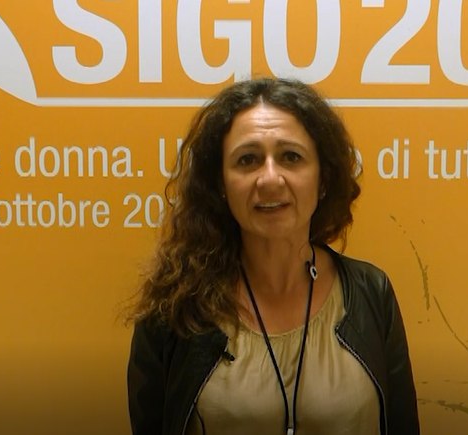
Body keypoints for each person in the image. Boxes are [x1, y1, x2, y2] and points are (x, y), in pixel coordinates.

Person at [127, 77, 419, 435]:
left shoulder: (372, 293)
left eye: (291, 157)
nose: (269, 179)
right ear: (220, 183)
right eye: (247, 159)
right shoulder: (174, 307)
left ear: (323, 178)